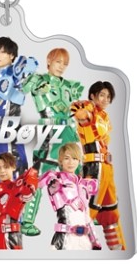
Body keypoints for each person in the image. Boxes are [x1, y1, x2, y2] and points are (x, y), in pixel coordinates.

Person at [21, 48, 84, 236]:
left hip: (69, 132)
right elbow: (23, 88)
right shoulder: (38, 80)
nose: (61, 66)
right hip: (49, 133)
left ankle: (85, 214)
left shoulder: (70, 86)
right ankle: (27, 221)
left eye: (65, 63)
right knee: (36, 178)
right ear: (49, 60)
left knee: (77, 176)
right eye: (58, 62)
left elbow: (77, 110)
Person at [71, 81, 126, 250]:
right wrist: (83, 114)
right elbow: (77, 109)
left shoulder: (104, 116)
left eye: (108, 96)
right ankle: (74, 247)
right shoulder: (89, 109)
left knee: (110, 211)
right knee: (88, 210)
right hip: (94, 166)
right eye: (102, 95)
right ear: (92, 96)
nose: (105, 99)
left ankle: (117, 250)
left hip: (106, 167)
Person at [0, 37, 38, 182]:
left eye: (2, 52)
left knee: (14, 167)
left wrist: (21, 71)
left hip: (9, 127)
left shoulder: (16, 72)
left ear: (11, 55)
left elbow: (31, 65)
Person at [39, 143, 101, 250]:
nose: (71, 162)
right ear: (61, 161)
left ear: (79, 160)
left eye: (74, 158)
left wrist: (95, 240)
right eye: (66, 158)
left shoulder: (84, 184)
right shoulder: (56, 179)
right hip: (64, 240)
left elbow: (87, 216)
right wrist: (49, 179)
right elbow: (35, 185)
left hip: (85, 241)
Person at [0, 153, 38, 250]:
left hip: (9, 238)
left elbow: (27, 193)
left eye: (6, 167)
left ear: (13, 167)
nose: (2, 171)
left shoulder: (17, 187)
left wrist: (29, 186)